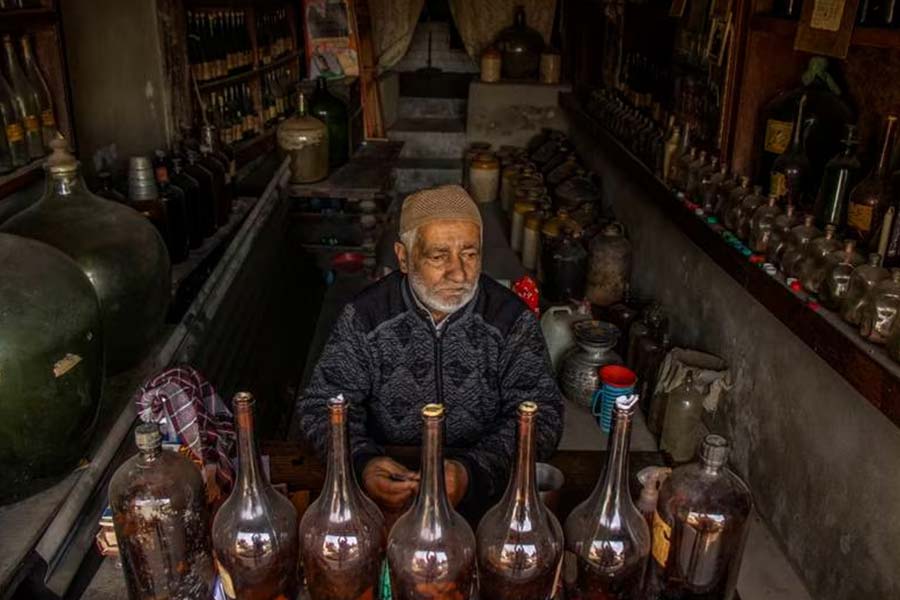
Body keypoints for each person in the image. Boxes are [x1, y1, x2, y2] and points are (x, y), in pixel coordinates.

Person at [295, 184, 564, 518]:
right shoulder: (368, 316)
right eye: (438, 256)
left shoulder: (509, 319)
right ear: (404, 258)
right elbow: (321, 406)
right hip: (393, 493)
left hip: (487, 499)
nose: (459, 273)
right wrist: (362, 462)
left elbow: (544, 417)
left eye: (470, 253)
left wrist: (472, 472)